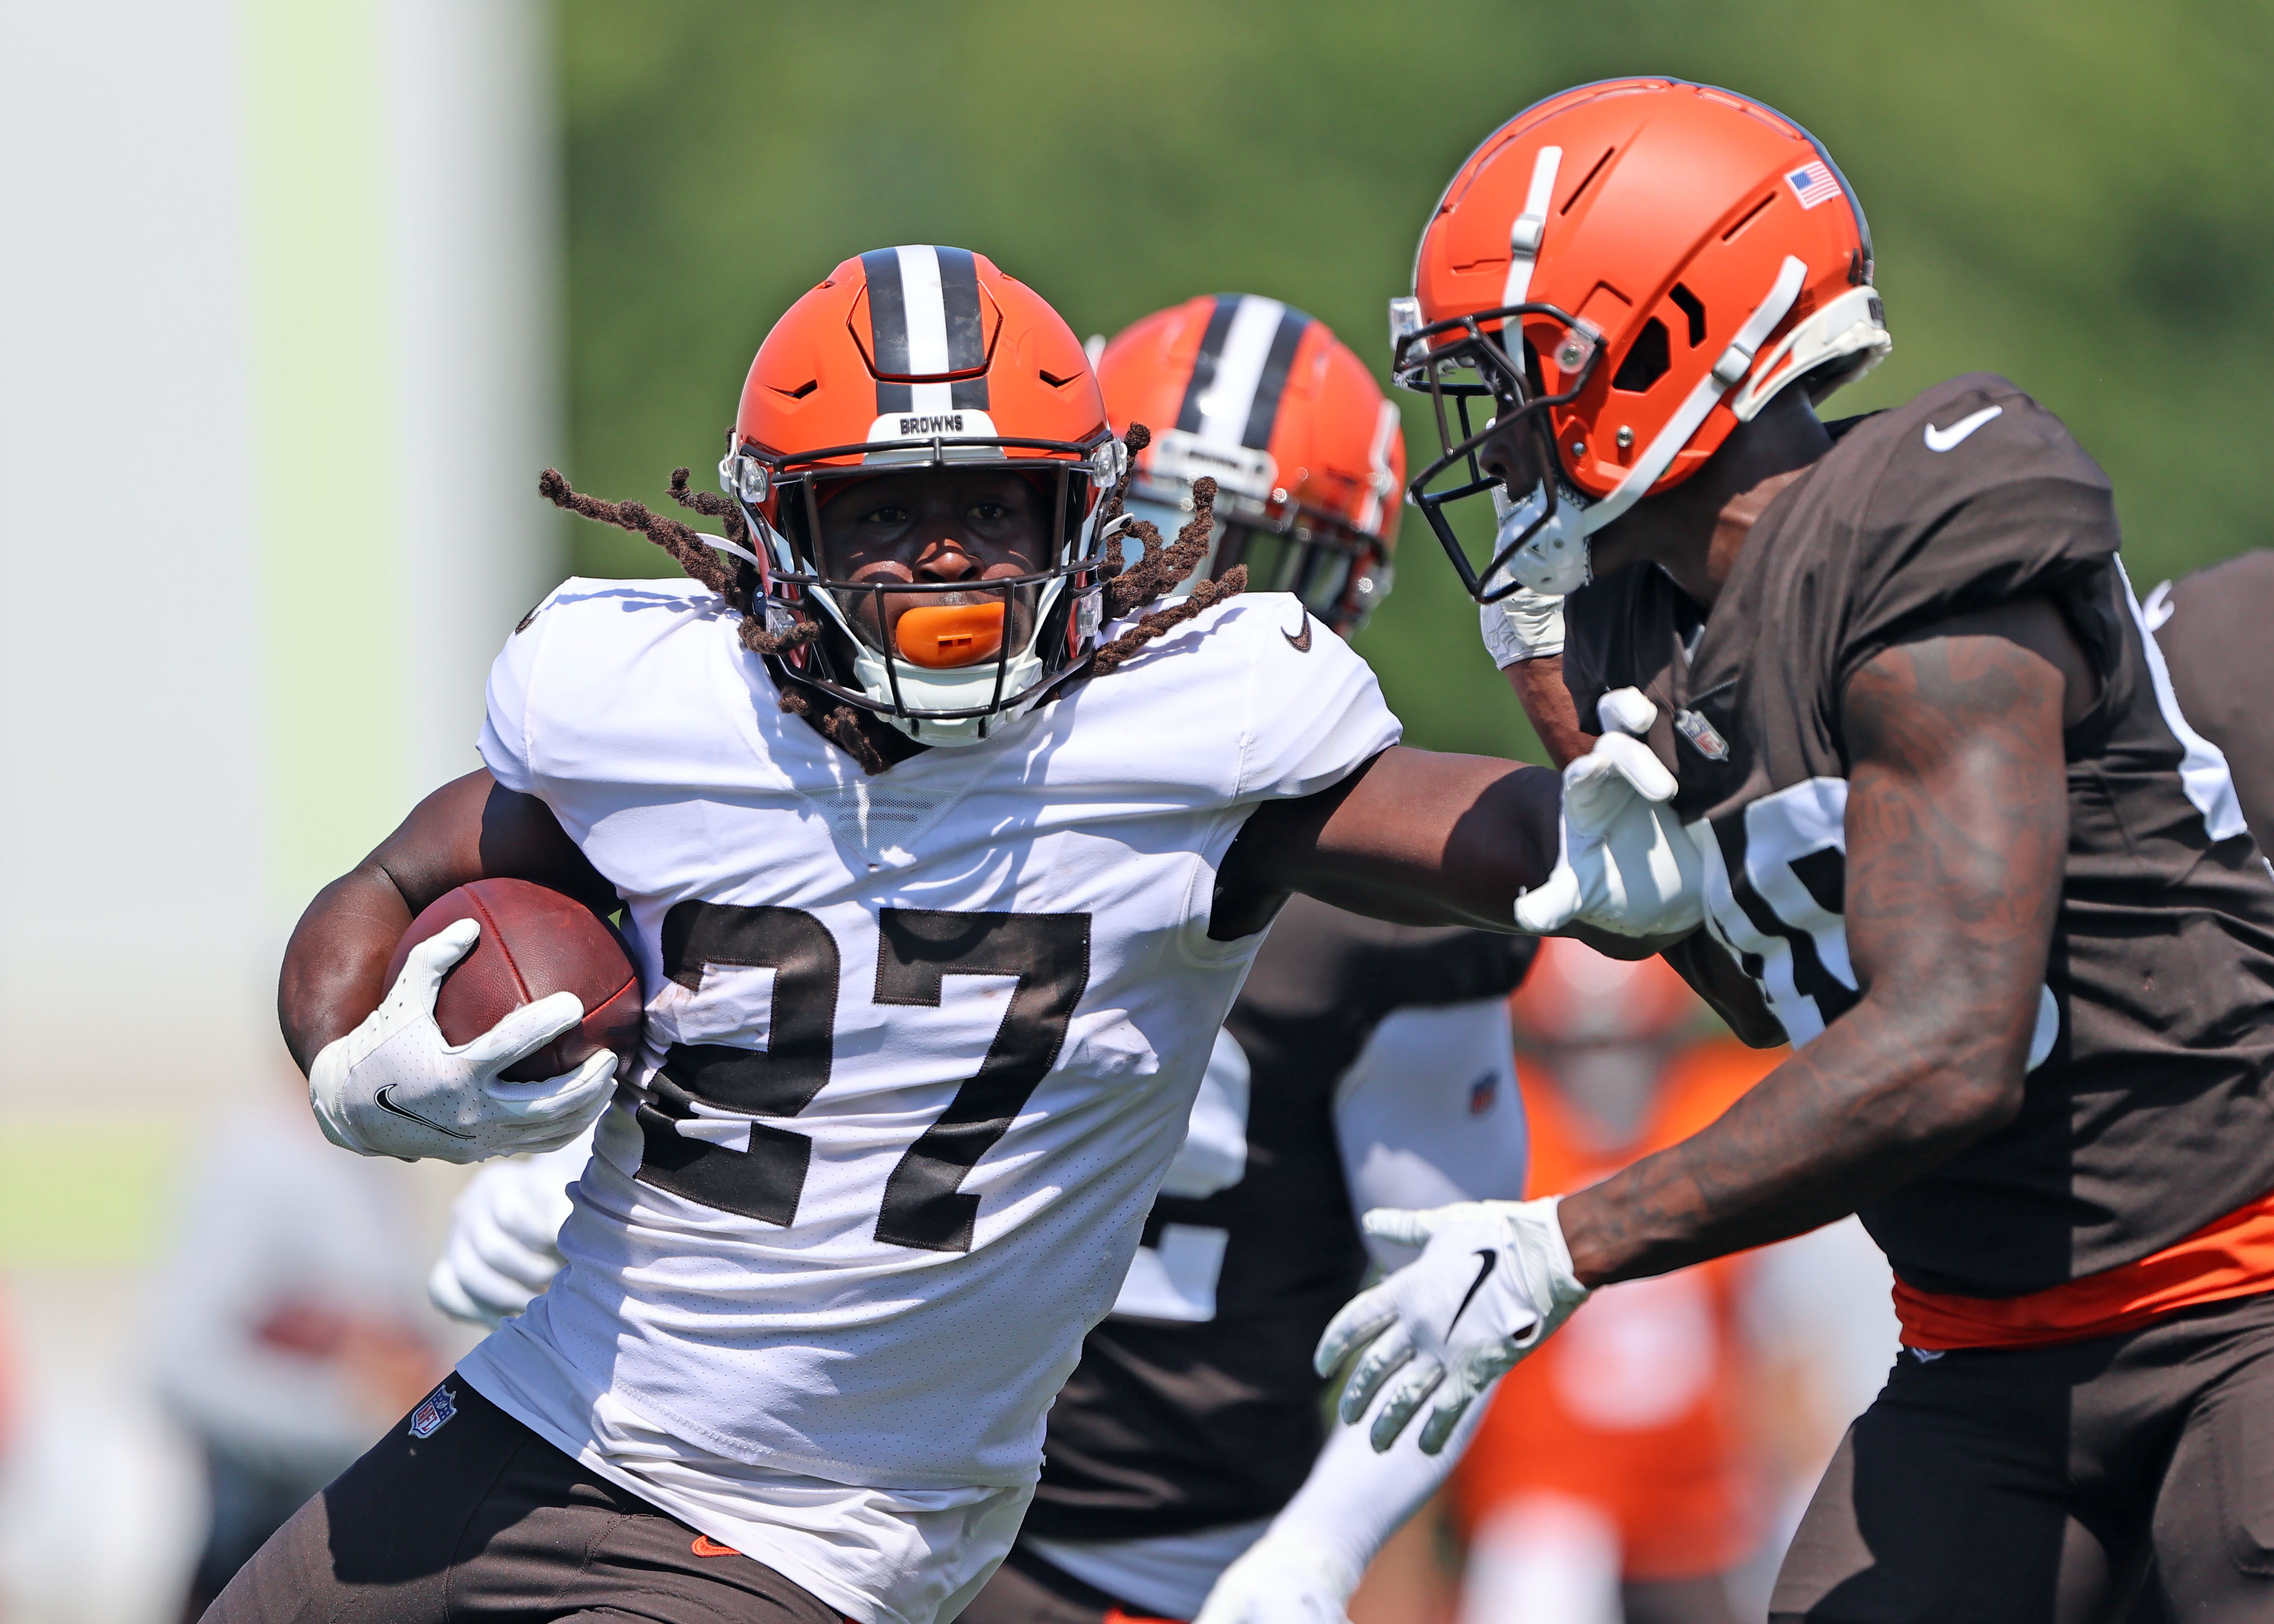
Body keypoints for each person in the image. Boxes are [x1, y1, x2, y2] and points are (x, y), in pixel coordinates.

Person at [224, 247, 1594, 1624]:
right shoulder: (653, 707)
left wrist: (1584, 689)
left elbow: (1549, 843)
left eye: (993, 502)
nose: (944, 551)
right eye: (885, 509)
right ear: (780, 531)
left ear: (1085, 518)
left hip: (817, 1528)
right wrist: (351, 1063)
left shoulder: (1205, 737)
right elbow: (393, 875)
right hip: (542, 1408)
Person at [1321, 80, 2274, 1622]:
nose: (1489, 434)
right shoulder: (1645, 621)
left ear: (1661, 341)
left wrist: (1573, 1238)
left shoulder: (1925, 528)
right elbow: (1791, 1013)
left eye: (1516, 375)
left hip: (2235, 1297)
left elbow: (1948, 1045)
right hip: (1980, 1341)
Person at [1450, 940, 1778, 1624]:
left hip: (1709, 1500)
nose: (1607, 1075)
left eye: (1632, 1046)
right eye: (1582, 1052)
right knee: (1540, 1561)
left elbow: (1802, 1330)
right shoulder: (1502, 1130)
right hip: (1543, 1503)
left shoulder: (1724, 1106)